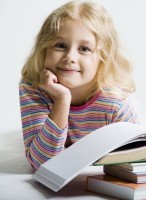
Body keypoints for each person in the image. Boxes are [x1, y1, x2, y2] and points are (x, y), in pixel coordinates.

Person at [19, 1, 139, 170]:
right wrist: (62, 99)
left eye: (84, 48)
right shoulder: (34, 87)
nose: (70, 57)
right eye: (60, 45)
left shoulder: (115, 102)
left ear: (103, 58)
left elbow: (137, 156)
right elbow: (41, 163)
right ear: (44, 48)